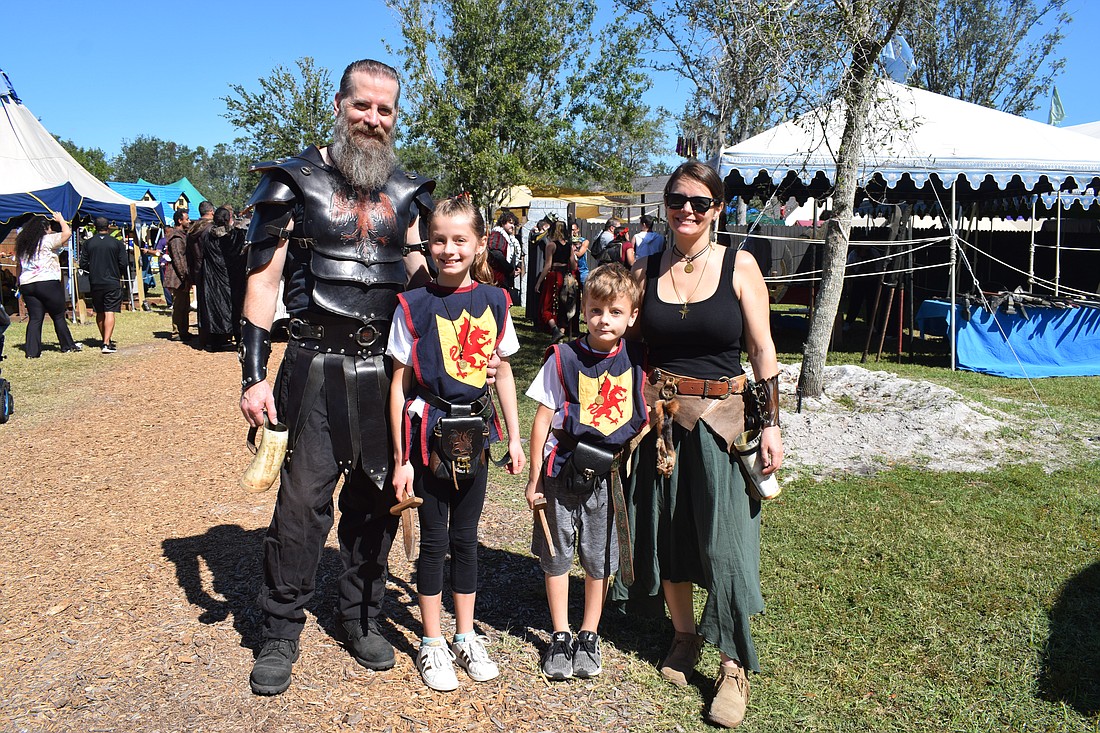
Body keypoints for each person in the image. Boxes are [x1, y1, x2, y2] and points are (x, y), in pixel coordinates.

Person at [238, 58, 437, 697]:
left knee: (377, 500)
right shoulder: (291, 183)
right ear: (339, 105)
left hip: (386, 373)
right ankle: (280, 630)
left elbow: (421, 282)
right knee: (302, 504)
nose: (373, 119)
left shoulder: (407, 193)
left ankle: (361, 616)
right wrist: (253, 376)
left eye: (385, 110)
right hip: (314, 367)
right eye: (362, 106)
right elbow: (263, 284)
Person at [611, 160, 784, 729]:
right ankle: (684, 636)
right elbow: (625, 339)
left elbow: (762, 351)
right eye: (677, 199)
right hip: (661, 422)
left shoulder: (740, 265)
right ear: (665, 204)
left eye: (700, 202)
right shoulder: (645, 268)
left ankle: (733, 667)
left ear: (717, 209)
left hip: (722, 422)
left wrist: (772, 425)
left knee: (727, 545)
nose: (687, 209)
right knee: (669, 531)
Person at [388, 196, 525, 692]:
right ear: (427, 243)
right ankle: (432, 642)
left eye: (460, 240)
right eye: (439, 240)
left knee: (466, 539)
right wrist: (401, 459)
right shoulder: (413, 305)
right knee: (434, 541)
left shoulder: (496, 301)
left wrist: (515, 438)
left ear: (480, 244)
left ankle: (465, 635)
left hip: (476, 437)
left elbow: (502, 372)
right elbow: (399, 386)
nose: (449, 249)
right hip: (427, 439)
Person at [524, 263, 647, 681]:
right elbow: (543, 419)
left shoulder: (638, 361)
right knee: (556, 554)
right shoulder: (564, 358)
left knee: (599, 557)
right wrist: (534, 479)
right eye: (596, 310)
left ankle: (589, 633)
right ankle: (560, 634)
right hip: (561, 471)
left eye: (615, 312)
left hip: (607, 477)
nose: (603, 320)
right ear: (583, 309)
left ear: (632, 315)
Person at [14, 211, 82, 357]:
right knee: (58, 315)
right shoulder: (47, 240)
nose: (51, 229)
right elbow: (67, 233)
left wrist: (18, 281)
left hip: (27, 283)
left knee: (35, 318)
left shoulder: (22, 244)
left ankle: (32, 352)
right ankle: (67, 345)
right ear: (44, 228)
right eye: (49, 227)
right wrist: (61, 220)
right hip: (47, 281)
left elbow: (19, 266)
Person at [79, 217, 129, 354]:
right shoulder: (117, 243)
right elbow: (124, 263)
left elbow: (83, 264)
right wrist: (118, 272)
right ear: (108, 227)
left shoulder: (88, 243)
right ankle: (106, 342)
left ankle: (105, 339)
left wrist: (93, 269)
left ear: (95, 227)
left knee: (99, 311)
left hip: (95, 281)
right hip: (112, 280)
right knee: (110, 311)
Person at [197, 206, 244, 351]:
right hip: (233, 277)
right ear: (229, 219)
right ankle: (239, 339)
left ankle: (215, 342)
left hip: (213, 278)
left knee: (215, 308)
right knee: (235, 308)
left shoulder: (207, 236)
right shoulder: (236, 235)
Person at [534, 220, 575, 343]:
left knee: (547, 304)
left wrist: (539, 282)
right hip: (566, 276)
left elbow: (547, 265)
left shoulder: (551, 245)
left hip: (554, 276)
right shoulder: (569, 246)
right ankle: (561, 333)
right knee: (563, 305)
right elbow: (573, 265)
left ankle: (555, 329)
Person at [188, 201, 215, 348]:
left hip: (197, 268)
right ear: (211, 212)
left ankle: (203, 336)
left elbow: (188, 253)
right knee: (211, 303)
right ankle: (212, 337)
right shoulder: (210, 229)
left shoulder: (192, 229)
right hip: (210, 269)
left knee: (202, 303)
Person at [162, 210, 191, 340]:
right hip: (177, 277)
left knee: (185, 305)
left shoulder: (182, 235)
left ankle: (184, 330)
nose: (189, 221)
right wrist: (185, 276)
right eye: (187, 219)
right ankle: (177, 331)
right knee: (179, 306)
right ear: (180, 220)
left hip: (182, 277)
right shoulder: (176, 238)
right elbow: (179, 259)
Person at [571, 221, 590, 287]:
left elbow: (580, 254)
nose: (573, 232)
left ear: (577, 229)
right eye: (571, 230)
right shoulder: (567, 241)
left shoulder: (584, 241)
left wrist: (571, 251)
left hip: (582, 270)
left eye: (574, 230)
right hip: (571, 270)